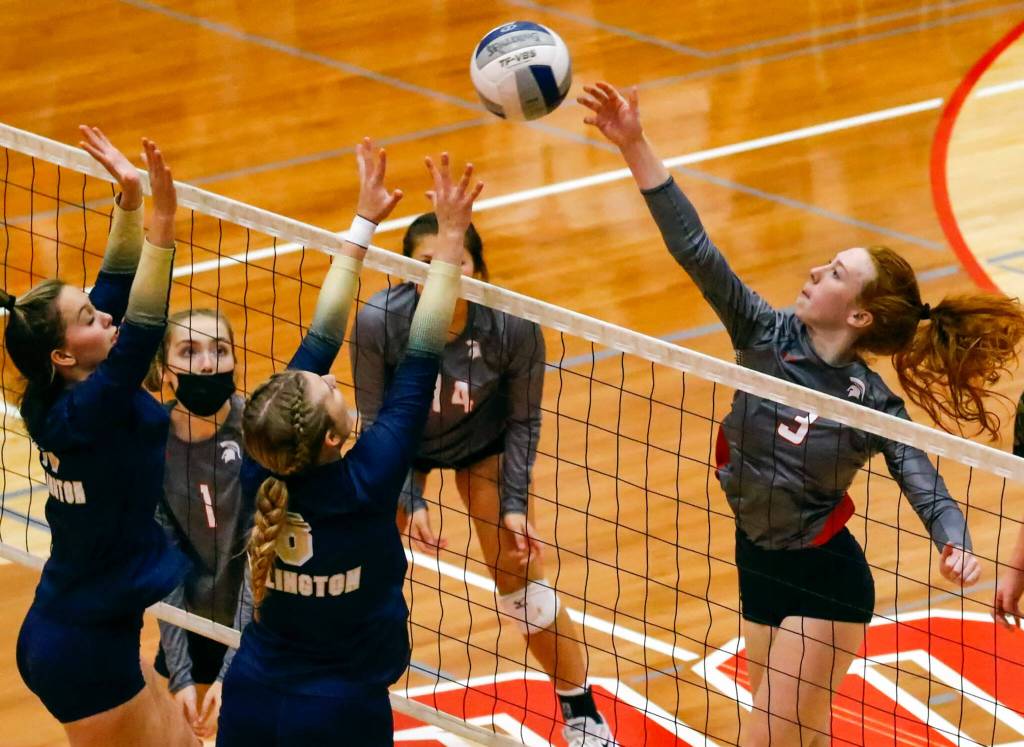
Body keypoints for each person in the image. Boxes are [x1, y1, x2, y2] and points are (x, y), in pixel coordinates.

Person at [580, 81, 1024, 747]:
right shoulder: (761, 332)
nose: (816, 270)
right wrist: (635, 143)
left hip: (826, 582)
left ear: (858, 314)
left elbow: (923, 479)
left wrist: (953, 541)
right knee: (800, 739)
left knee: (768, 740)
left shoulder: (870, 402)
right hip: (757, 562)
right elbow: (695, 251)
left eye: (837, 273)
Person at [216, 143, 479, 746]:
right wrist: (451, 241)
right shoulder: (370, 476)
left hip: (254, 691)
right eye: (329, 389)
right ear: (334, 437)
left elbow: (324, 330)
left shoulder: (262, 460)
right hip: (341, 712)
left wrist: (364, 222)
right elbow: (424, 346)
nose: (331, 375)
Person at [351, 215, 616, 746]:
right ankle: (342, 688)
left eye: (456, 261)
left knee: (519, 568)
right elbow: (375, 420)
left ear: (478, 269)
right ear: (403, 272)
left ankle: (580, 711)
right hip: (404, 443)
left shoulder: (512, 324)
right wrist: (407, 495)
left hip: (485, 447)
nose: (442, 272)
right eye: (426, 263)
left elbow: (523, 421)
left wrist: (515, 502)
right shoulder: (378, 322)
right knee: (357, 562)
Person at [8, 126, 197, 745]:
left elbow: (115, 294)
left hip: (83, 630)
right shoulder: (93, 410)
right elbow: (141, 326)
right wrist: (164, 224)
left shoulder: (52, 396)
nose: (102, 314)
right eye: (87, 318)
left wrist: (132, 197)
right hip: (80, 649)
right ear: (65, 354)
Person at [145, 307, 252, 739]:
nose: (207, 364)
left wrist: (232, 671)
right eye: (189, 351)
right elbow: (163, 568)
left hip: (260, 625)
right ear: (165, 372)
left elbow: (257, 570)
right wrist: (181, 674)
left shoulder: (258, 430)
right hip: (189, 622)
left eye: (220, 350)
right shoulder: (149, 444)